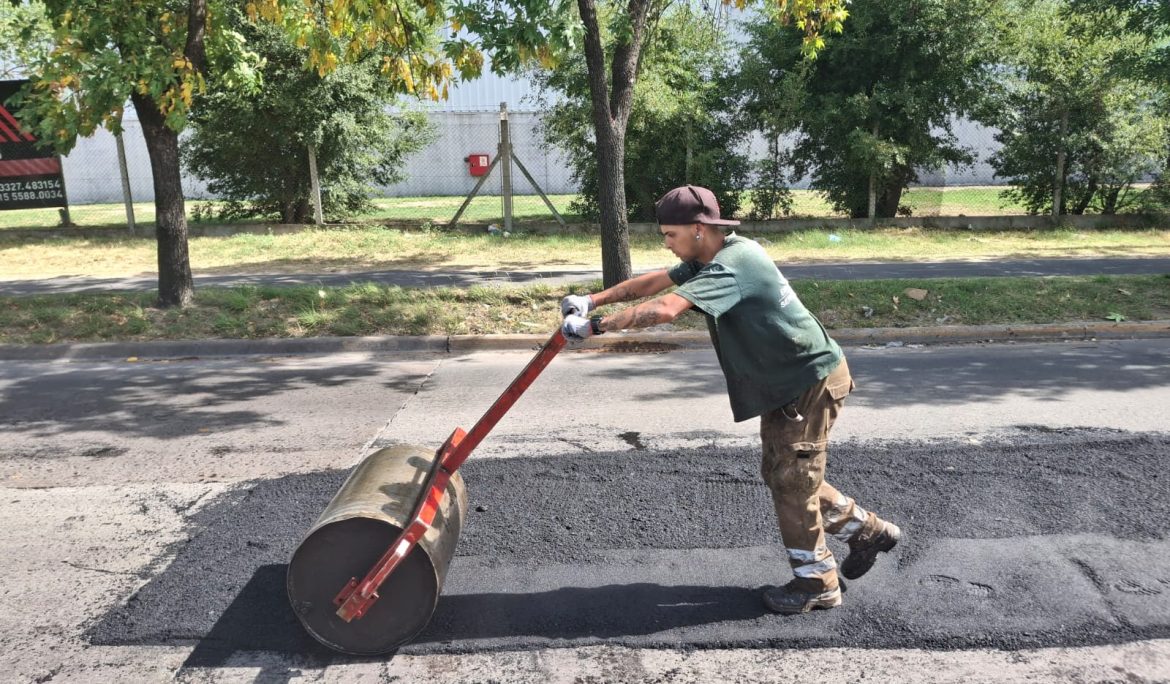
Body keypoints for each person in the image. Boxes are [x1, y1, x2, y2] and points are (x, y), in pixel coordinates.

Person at [560, 184, 901, 614]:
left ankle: (817, 584)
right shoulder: (714, 255)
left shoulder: (732, 266)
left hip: (807, 381)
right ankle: (867, 531)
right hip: (788, 382)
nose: (666, 242)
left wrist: (596, 328)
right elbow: (654, 282)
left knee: (793, 482)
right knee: (785, 474)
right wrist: (591, 299)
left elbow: (665, 309)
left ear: (699, 229)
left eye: (670, 234)